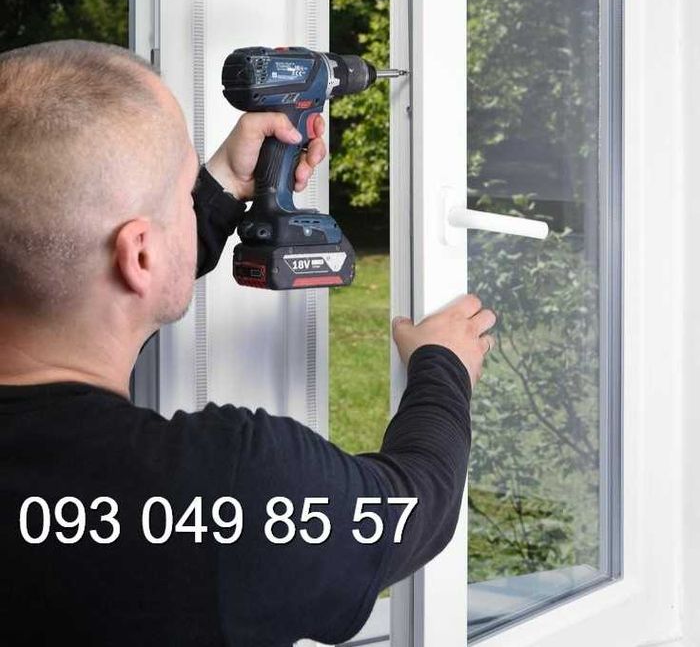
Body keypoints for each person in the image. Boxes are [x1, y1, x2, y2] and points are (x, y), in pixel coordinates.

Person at [0, 40, 495, 646]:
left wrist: (220, 187)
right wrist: (443, 366)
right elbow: (411, 508)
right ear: (141, 255)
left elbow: (93, 292)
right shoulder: (223, 487)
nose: (193, 206)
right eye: (182, 197)